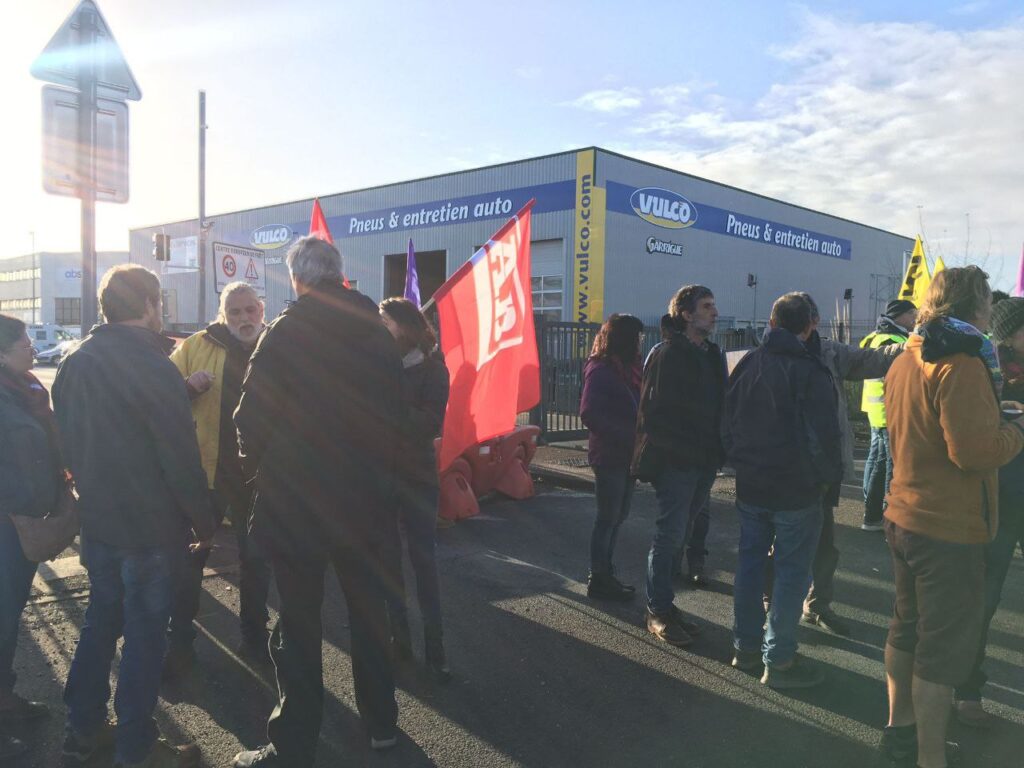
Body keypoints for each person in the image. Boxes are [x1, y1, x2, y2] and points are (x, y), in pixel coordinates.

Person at [233, 237, 404, 767]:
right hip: (366, 501)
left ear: (297, 278)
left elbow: (249, 418)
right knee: (369, 615)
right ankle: (381, 724)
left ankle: (295, 743)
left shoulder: (287, 331)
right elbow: (399, 415)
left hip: (296, 503)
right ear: (339, 274)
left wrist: (257, 469)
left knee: (299, 625)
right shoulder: (377, 331)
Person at [55, 265, 215, 768]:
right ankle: (136, 747)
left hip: (100, 521)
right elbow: (179, 456)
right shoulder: (153, 365)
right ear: (148, 305)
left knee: (101, 622)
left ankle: (82, 730)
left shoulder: (75, 361)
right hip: (150, 527)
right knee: (145, 636)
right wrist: (204, 521)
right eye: (159, 302)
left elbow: (64, 442)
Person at [880, 266, 1024, 768]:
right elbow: (975, 452)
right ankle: (930, 756)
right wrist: (1016, 430)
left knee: (906, 629)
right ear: (975, 305)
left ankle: (900, 733)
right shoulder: (961, 362)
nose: (991, 309)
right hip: (947, 526)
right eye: (987, 300)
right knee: (940, 651)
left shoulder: (910, 353)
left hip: (905, 513)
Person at [724, 293, 840, 689]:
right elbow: (824, 436)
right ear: (810, 326)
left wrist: (738, 460)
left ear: (772, 323)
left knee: (750, 567)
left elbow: (727, 418)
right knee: (791, 576)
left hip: (752, 485)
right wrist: (825, 481)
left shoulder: (748, 363)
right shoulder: (810, 370)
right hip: (796, 490)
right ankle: (779, 659)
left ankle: (745, 648)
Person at [163, 282, 273, 679]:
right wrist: (186, 388)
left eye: (250, 310)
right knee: (190, 561)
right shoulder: (196, 346)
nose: (244, 318)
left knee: (256, 561)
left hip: (256, 476)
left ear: (262, 310)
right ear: (222, 314)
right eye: (235, 311)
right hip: (206, 474)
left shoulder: (276, 345)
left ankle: (254, 639)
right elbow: (160, 397)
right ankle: (179, 644)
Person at [795, 293, 903, 637]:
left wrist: (915, 344)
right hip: (784, 473)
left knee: (824, 546)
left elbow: (873, 359)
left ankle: (816, 605)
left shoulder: (828, 353)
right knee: (783, 545)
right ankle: (775, 609)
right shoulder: (763, 358)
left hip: (822, 472)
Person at [632, 286, 725, 647]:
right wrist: (676, 453)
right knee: (669, 536)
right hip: (677, 463)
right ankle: (657, 610)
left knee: (682, 534)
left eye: (713, 306)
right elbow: (653, 414)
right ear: (686, 314)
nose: (714, 312)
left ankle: (666, 605)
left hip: (704, 460)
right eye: (706, 306)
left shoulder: (711, 354)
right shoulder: (667, 354)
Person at [952, 296, 1024, 726]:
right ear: (1010, 333)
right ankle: (967, 689)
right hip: (999, 500)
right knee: (984, 597)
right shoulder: (988, 373)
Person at [378, 297, 451, 682]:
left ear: (405, 327)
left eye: (385, 322)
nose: (379, 328)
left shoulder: (434, 370)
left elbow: (429, 423)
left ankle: (435, 650)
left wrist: (384, 410)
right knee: (388, 563)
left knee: (424, 562)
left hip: (418, 478)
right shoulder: (378, 366)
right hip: (381, 476)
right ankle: (399, 642)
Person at [0, 315, 62, 761]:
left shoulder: (27, 388)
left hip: (22, 523)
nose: (33, 348)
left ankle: (5, 699)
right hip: (6, 522)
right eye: (24, 342)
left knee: (9, 617)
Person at [579, 313, 644, 601]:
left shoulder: (630, 370)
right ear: (625, 339)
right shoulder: (601, 370)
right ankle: (598, 576)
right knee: (608, 518)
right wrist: (625, 436)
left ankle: (606, 573)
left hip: (628, 455)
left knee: (618, 516)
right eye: (637, 337)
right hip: (610, 456)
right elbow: (589, 412)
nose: (641, 342)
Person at [860, 300, 917, 532]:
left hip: (875, 407)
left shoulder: (874, 336)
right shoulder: (894, 340)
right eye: (912, 314)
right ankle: (882, 515)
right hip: (889, 408)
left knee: (876, 459)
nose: (915, 319)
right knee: (887, 464)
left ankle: (871, 511)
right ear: (900, 316)